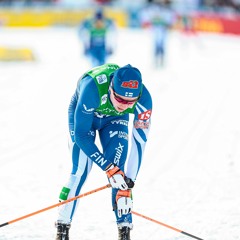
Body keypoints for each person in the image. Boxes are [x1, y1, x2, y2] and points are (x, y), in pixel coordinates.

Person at [55, 63, 153, 240]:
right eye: (121, 99)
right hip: (86, 118)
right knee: (81, 169)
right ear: (111, 89)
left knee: (120, 174)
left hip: (114, 119)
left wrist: (129, 183)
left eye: (130, 102)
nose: (125, 105)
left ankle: (124, 229)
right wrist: (108, 167)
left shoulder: (144, 100)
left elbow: (139, 143)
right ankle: (62, 227)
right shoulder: (92, 86)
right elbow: (81, 136)